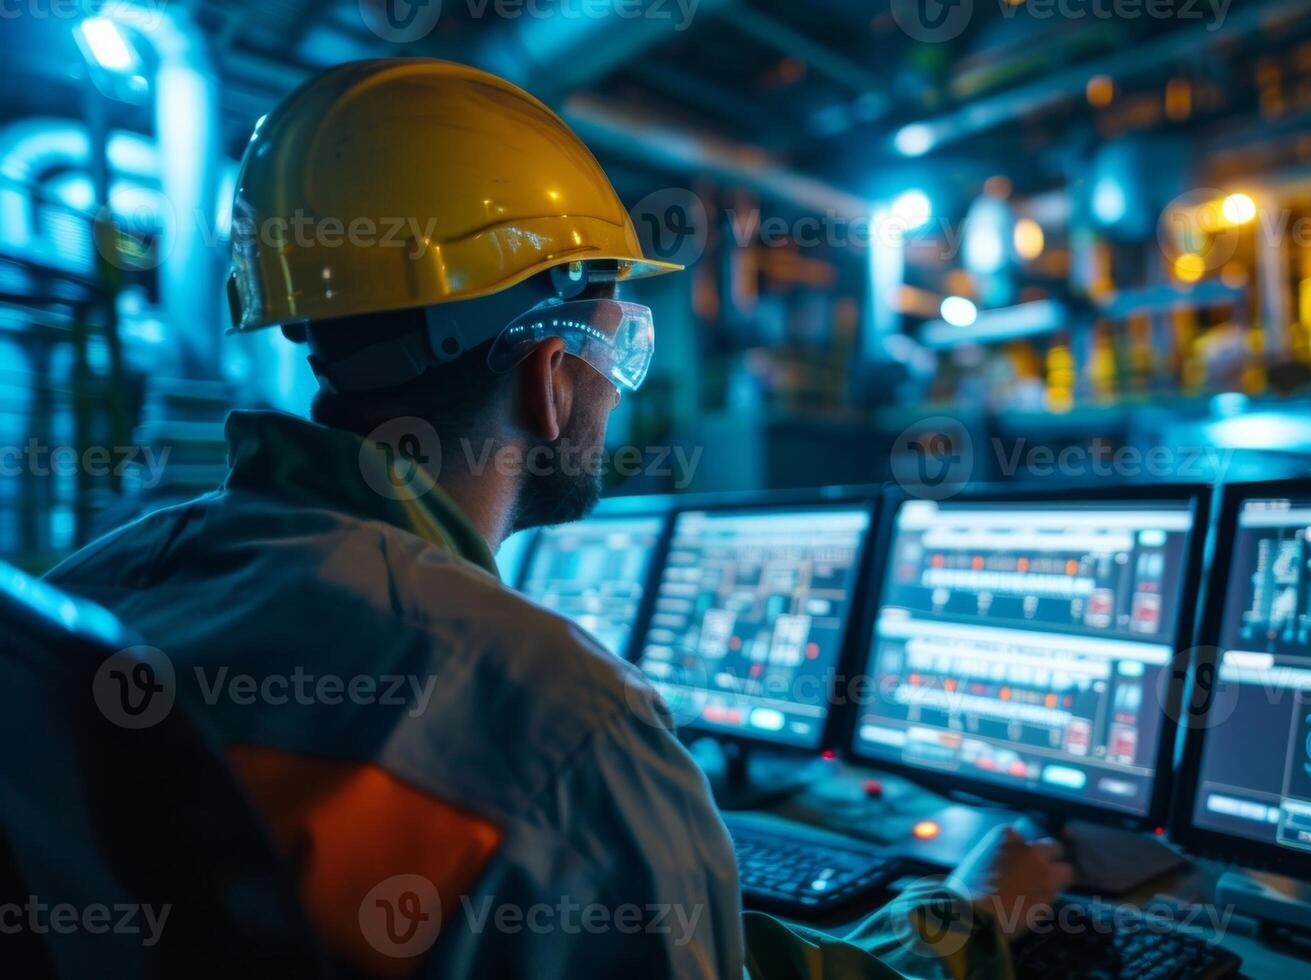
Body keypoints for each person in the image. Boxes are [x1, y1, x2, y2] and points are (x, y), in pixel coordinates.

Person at [47, 59, 1070, 977]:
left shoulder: (87, 587)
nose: (621, 390)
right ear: (549, 376)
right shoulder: (569, 731)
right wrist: (961, 931)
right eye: (619, 351)